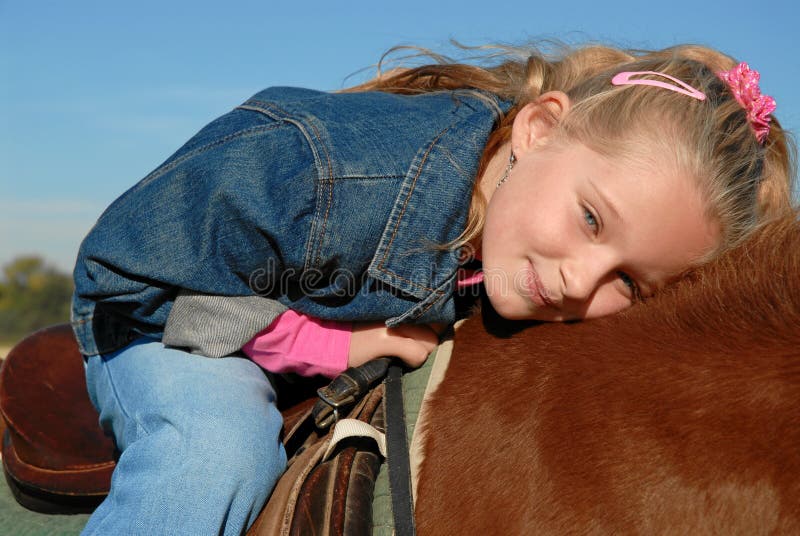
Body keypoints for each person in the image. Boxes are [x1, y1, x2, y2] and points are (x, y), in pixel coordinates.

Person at [72, 42, 795, 535]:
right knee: (215, 451)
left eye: (630, 281)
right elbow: (139, 273)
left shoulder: (531, 240)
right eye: (590, 217)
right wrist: (336, 343)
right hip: (160, 315)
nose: (580, 279)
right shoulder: (321, 174)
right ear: (541, 130)